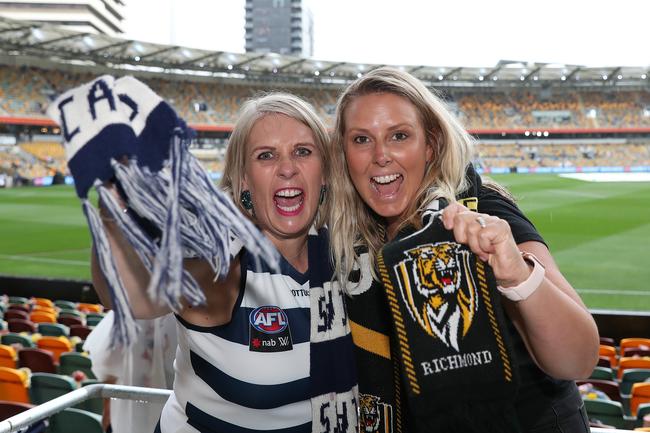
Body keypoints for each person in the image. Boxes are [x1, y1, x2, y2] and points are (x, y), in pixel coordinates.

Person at [328, 67, 599, 432]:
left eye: (399, 136)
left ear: (431, 145)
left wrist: (517, 274)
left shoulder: (480, 214)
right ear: (344, 153)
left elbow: (578, 359)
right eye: (362, 140)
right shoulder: (350, 238)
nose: (381, 155)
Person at [92, 93, 357, 433]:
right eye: (266, 156)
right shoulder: (223, 263)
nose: (288, 168)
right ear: (244, 180)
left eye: (303, 151)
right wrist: (112, 215)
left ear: (325, 172)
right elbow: (131, 295)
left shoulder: (345, 254)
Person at [83, 312, 177, 433]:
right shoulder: (191, 308)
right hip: (171, 413)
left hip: (128, 407)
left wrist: (107, 408)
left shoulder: (130, 304)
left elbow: (107, 363)